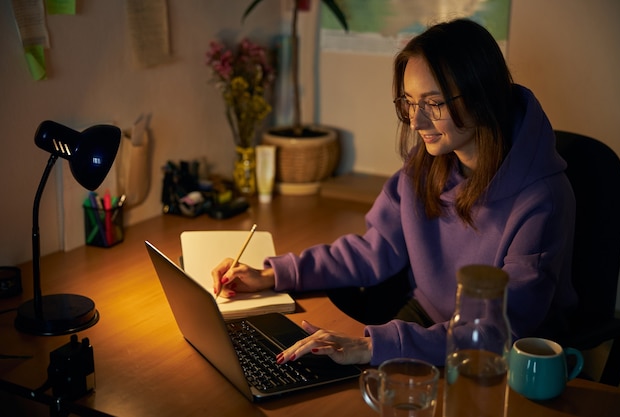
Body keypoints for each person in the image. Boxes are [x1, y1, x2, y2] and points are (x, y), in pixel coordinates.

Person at [211, 18, 577, 367]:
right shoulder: (429, 163)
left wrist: (375, 345)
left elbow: (498, 331)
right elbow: (375, 250)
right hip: (425, 322)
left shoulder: (542, 198)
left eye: (433, 103)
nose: (416, 122)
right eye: (409, 102)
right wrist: (273, 275)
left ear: (481, 95)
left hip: (498, 356)